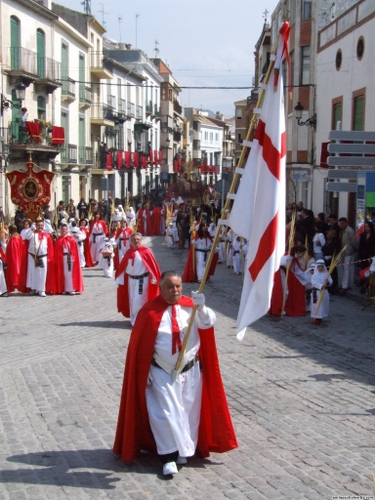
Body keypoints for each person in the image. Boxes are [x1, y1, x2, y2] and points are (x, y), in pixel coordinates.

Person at [113, 271, 238, 475]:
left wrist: (203, 307)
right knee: (164, 414)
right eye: (170, 287)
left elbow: (208, 322)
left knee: (188, 413)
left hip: (190, 371)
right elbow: (141, 347)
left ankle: (183, 450)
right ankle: (167, 456)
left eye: (178, 286)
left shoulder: (191, 306)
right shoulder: (150, 311)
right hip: (162, 371)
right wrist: (145, 373)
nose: (175, 290)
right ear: (161, 289)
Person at [115, 232, 161, 325]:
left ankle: (141, 320)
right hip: (131, 280)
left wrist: (154, 279)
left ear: (141, 241)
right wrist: (120, 278)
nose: (136, 241)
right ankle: (134, 319)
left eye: (138, 239)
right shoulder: (128, 252)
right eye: (134, 240)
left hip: (142, 281)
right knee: (132, 299)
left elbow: (152, 267)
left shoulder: (146, 252)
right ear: (130, 241)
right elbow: (122, 266)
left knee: (138, 299)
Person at [18, 218, 55, 297]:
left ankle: (41, 290)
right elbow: (26, 237)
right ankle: (33, 288)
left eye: (41, 225)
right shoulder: (32, 233)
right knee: (32, 273)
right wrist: (31, 228)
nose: (40, 227)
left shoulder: (47, 235)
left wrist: (50, 258)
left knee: (42, 273)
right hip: (32, 256)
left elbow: (50, 247)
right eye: (38, 225)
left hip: (43, 256)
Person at [54, 223, 84, 295]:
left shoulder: (71, 239)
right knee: (62, 273)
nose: (63, 231)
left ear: (67, 230)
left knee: (70, 273)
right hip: (61, 258)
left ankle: (70, 288)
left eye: (65, 229)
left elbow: (74, 250)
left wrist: (73, 258)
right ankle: (63, 288)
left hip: (70, 257)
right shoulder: (58, 240)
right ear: (60, 230)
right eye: (62, 229)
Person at [338, 217, 358, 294]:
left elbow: (353, 241)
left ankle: (345, 286)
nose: (341, 225)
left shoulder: (350, 231)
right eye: (340, 223)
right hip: (342, 252)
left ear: (346, 223)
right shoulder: (341, 230)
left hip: (348, 252)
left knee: (347, 269)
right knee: (344, 269)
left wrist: (355, 248)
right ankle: (346, 284)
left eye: (343, 223)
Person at [310, 259, 333, 325]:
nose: (320, 268)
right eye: (319, 267)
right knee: (316, 305)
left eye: (322, 267)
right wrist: (321, 285)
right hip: (317, 293)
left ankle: (321, 316)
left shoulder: (326, 274)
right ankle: (316, 317)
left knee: (323, 305)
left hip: (324, 292)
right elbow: (314, 283)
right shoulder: (314, 275)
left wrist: (327, 283)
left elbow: (331, 281)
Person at [4, 224, 24, 293]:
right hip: (19, 255)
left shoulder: (13, 239)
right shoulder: (19, 236)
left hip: (14, 257)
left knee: (15, 269)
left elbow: (12, 250)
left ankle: (15, 282)